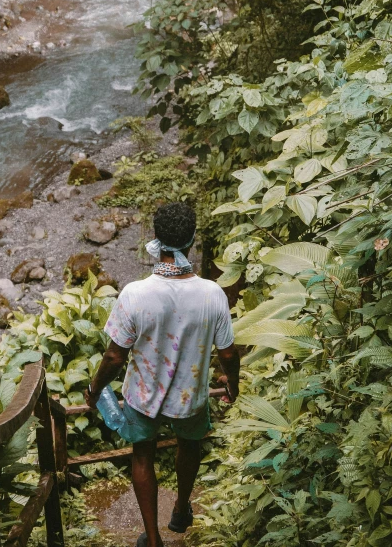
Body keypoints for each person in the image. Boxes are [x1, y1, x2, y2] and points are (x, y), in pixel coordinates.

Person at [84, 202, 240, 547]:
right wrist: (233, 382)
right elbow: (228, 353)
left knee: (143, 454)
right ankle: (182, 510)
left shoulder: (135, 294)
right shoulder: (212, 294)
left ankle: (153, 539)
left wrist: (95, 390)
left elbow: (113, 356)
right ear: (192, 241)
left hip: (143, 395)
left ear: (156, 240)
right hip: (191, 396)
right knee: (189, 445)